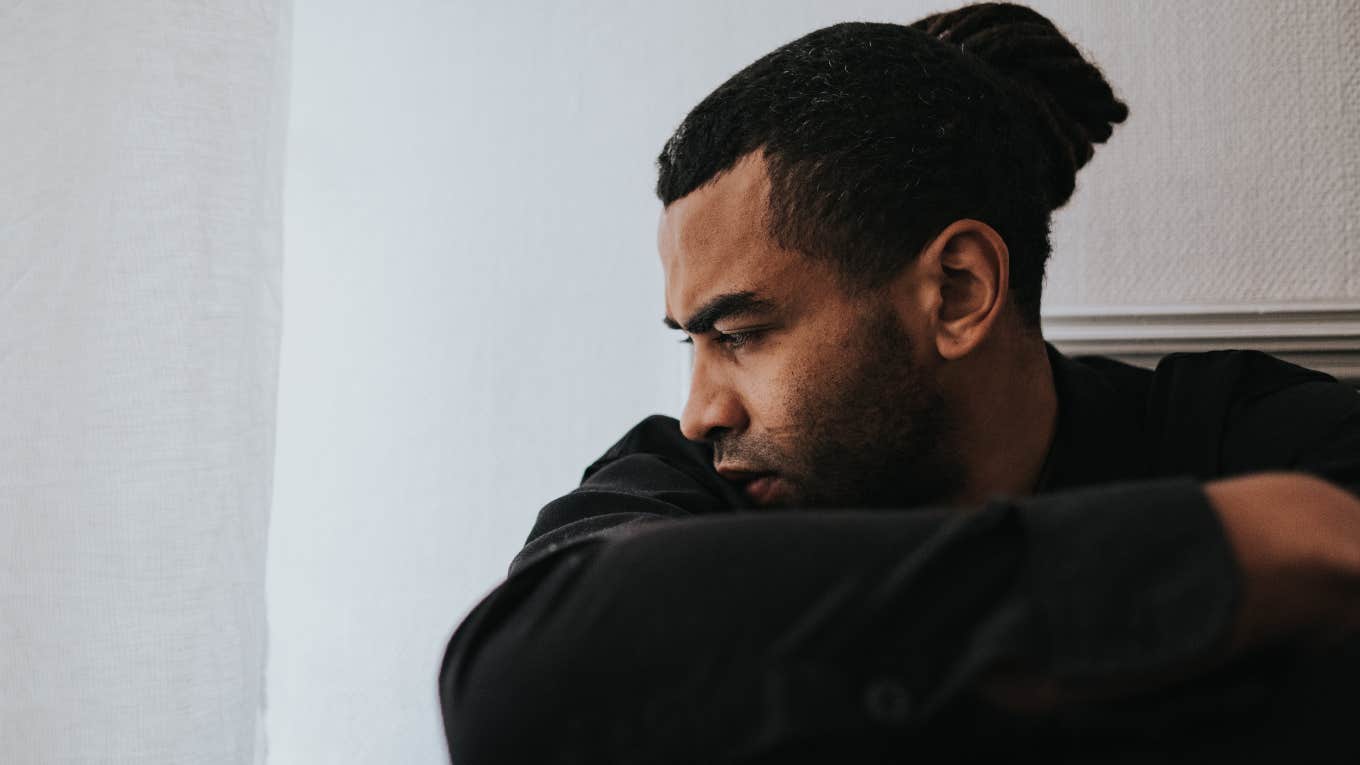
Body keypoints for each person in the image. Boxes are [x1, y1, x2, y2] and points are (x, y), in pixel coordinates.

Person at [439, 3, 1360, 762]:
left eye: (742, 333)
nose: (701, 408)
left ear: (957, 292)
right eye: (693, 342)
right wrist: (1226, 552)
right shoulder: (683, 478)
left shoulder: (1247, 434)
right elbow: (520, 684)